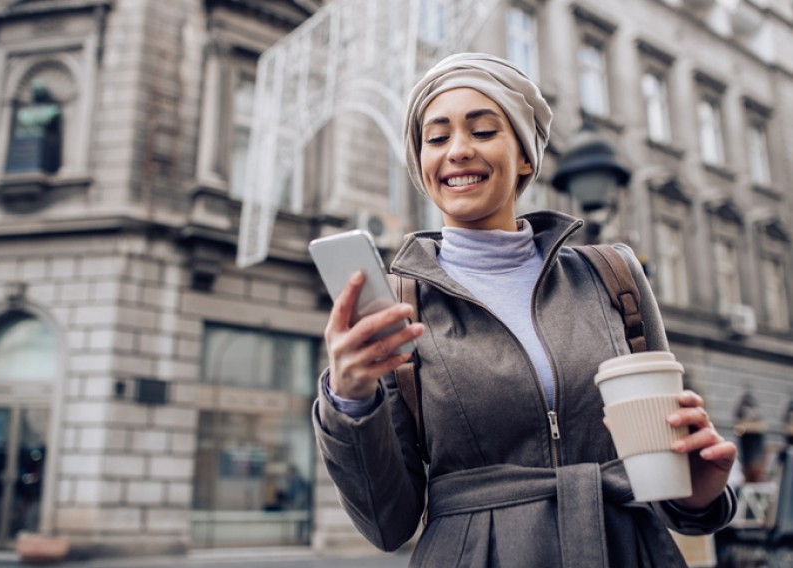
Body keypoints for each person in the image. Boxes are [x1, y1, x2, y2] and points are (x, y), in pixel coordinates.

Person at [312, 53, 737, 567]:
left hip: (626, 550)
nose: (458, 151)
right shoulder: (401, 305)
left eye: (484, 131)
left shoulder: (612, 275)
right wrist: (350, 400)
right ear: (421, 165)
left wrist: (700, 493)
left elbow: (668, 480)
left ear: (527, 157)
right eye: (437, 137)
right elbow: (388, 523)